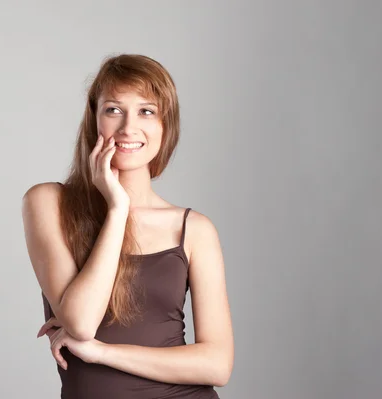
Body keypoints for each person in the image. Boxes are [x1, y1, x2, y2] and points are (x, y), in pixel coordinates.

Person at [21, 53, 234, 399]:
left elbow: (217, 364)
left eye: (146, 111)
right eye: (114, 110)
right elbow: (80, 322)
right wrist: (118, 209)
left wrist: (102, 352)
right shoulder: (49, 203)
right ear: (94, 120)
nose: (128, 128)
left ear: (166, 126)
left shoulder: (193, 229)